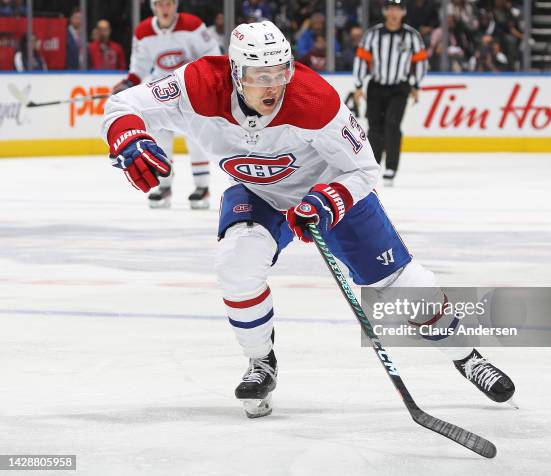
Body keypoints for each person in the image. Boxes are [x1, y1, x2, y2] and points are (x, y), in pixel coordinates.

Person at [102, 21, 515, 418]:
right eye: (260, 75)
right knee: (235, 266)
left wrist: (327, 200)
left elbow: (364, 170)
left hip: (327, 189)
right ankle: (261, 361)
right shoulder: (197, 85)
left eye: (281, 72)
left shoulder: (315, 100)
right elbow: (122, 104)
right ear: (234, 72)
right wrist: (126, 135)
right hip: (257, 191)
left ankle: (467, 356)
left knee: (400, 283)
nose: (274, 85)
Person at [112, 0, 220, 209]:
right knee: (161, 138)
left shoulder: (193, 25)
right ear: (154, 6)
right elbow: (139, 66)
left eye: (169, 3)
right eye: (160, 4)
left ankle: (202, 187)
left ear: (175, 5)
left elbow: (212, 56)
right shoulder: (143, 31)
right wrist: (128, 83)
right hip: (160, 93)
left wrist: (205, 81)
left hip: (191, 92)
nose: (165, 8)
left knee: (195, 139)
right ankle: (164, 185)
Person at [353, 0, 427, 186]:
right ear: (385, 12)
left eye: (398, 9)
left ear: (403, 12)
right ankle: (374, 165)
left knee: (393, 124)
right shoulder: (373, 34)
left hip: (399, 87)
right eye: (391, 9)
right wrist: (359, 85)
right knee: (374, 126)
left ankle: (391, 167)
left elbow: (421, 61)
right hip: (376, 86)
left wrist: (416, 85)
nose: (394, 13)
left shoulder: (412, 36)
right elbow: (361, 59)